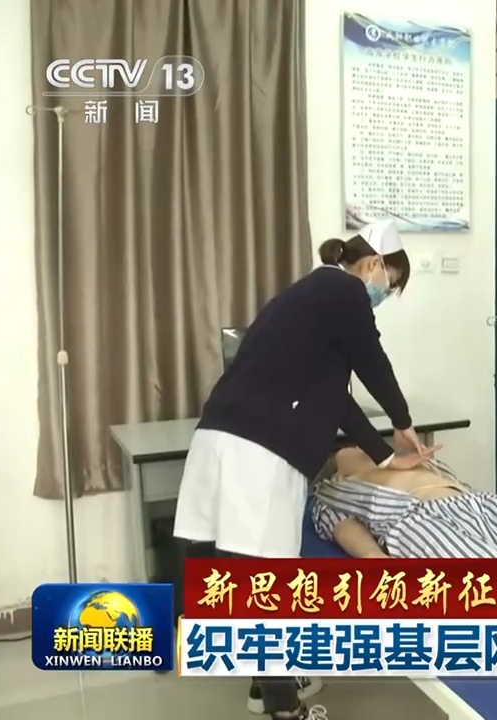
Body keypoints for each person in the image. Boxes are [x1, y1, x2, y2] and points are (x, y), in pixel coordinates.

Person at [172, 219, 424, 720]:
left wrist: (387, 457)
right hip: (259, 454)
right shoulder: (344, 291)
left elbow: (339, 402)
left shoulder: (309, 298)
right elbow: (373, 361)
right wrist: (403, 421)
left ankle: (264, 688)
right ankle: (286, 710)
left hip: (220, 438)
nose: (382, 296)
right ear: (374, 264)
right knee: (265, 585)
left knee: (247, 577)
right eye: (389, 284)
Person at [312, 447, 497, 558]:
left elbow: (469, 496)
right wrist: (375, 559)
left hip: (484, 505)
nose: (364, 450)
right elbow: (345, 529)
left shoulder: (416, 462)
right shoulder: (332, 493)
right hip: (418, 520)